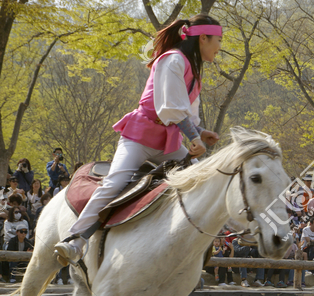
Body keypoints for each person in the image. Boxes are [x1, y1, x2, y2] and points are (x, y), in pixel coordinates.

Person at [53, 15, 222, 264]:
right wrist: (194, 136)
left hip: (168, 144)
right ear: (203, 38)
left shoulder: (194, 71)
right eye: (218, 40)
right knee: (114, 182)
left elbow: (186, 113)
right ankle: (75, 241)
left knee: (202, 178)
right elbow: (169, 109)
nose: (220, 46)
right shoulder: (173, 59)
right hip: (139, 138)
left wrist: (200, 131)